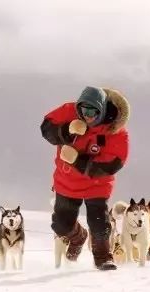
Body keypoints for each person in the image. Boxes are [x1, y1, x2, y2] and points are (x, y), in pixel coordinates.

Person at [40, 86, 130, 270]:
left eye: (92, 111)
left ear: (103, 110)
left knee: (99, 224)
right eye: (83, 110)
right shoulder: (68, 112)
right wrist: (66, 130)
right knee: (60, 226)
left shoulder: (115, 131)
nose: (86, 115)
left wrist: (77, 161)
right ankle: (79, 237)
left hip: (97, 184)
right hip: (67, 182)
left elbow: (112, 164)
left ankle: (103, 257)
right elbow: (46, 128)